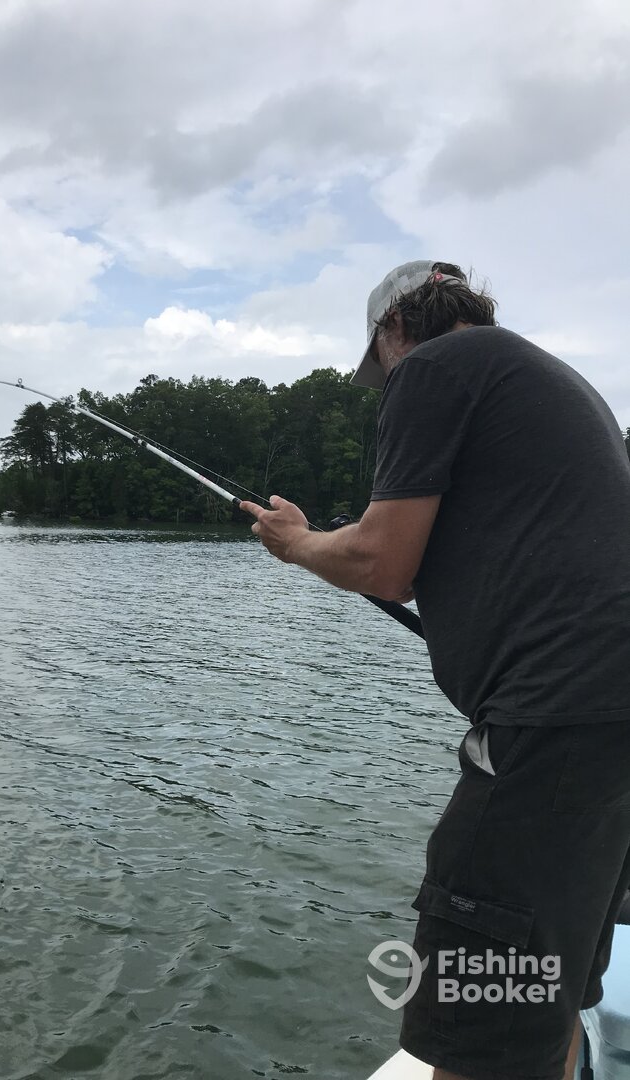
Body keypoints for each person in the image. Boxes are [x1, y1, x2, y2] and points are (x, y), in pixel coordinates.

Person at [239, 261, 630, 1080]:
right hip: (607, 729)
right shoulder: (553, 382)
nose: (385, 383)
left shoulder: (433, 366)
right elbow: (427, 562)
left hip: (555, 719)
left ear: (394, 329)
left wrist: (297, 543)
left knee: (480, 1019)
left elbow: (383, 564)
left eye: (379, 366)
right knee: (545, 993)